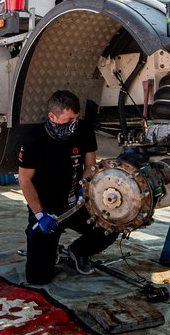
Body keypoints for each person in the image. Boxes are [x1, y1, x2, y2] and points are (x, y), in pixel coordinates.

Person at [17, 90, 117, 284]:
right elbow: (24, 180)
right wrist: (39, 214)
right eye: (68, 120)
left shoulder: (84, 130)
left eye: (76, 119)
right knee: (37, 277)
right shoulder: (34, 138)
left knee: (111, 226)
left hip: (76, 204)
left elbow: (90, 165)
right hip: (48, 212)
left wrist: (84, 187)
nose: (73, 124)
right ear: (52, 116)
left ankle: (78, 250)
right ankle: (46, 245)